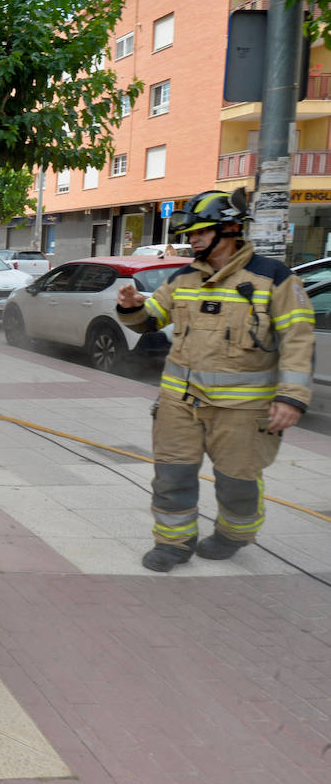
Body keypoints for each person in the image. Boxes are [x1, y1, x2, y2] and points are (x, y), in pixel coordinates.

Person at [117, 188, 315, 572]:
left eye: (199, 233)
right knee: (171, 476)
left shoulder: (273, 279)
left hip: (243, 412)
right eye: (190, 234)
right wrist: (130, 307)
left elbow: (298, 340)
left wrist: (291, 398)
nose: (191, 241)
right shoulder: (184, 277)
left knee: (236, 482)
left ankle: (234, 534)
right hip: (180, 405)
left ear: (230, 230)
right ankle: (173, 544)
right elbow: (151, 320)